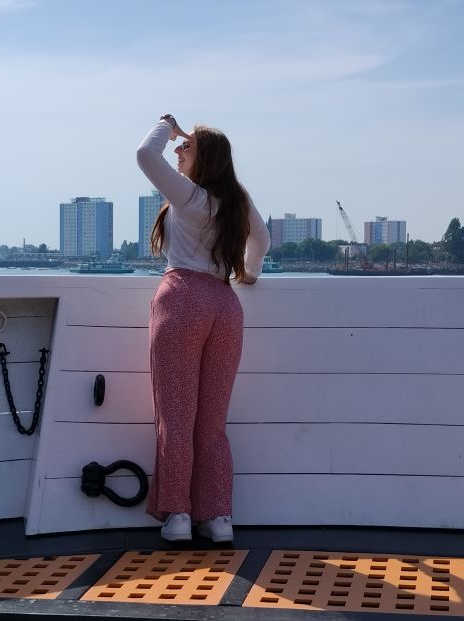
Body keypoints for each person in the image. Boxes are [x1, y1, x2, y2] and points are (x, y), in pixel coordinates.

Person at [135, 114, 270, 543]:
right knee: (212, 422)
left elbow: (144, 154)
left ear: (204, 159)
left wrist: (165, 126)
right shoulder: (234, 200)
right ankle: (218, 519)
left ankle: (177, 515)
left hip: (183, 301)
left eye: (186, 147)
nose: (177, 151)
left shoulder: (191, 198)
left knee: (176, 415)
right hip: (225, 306)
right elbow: (261, 240)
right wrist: (248, 273)